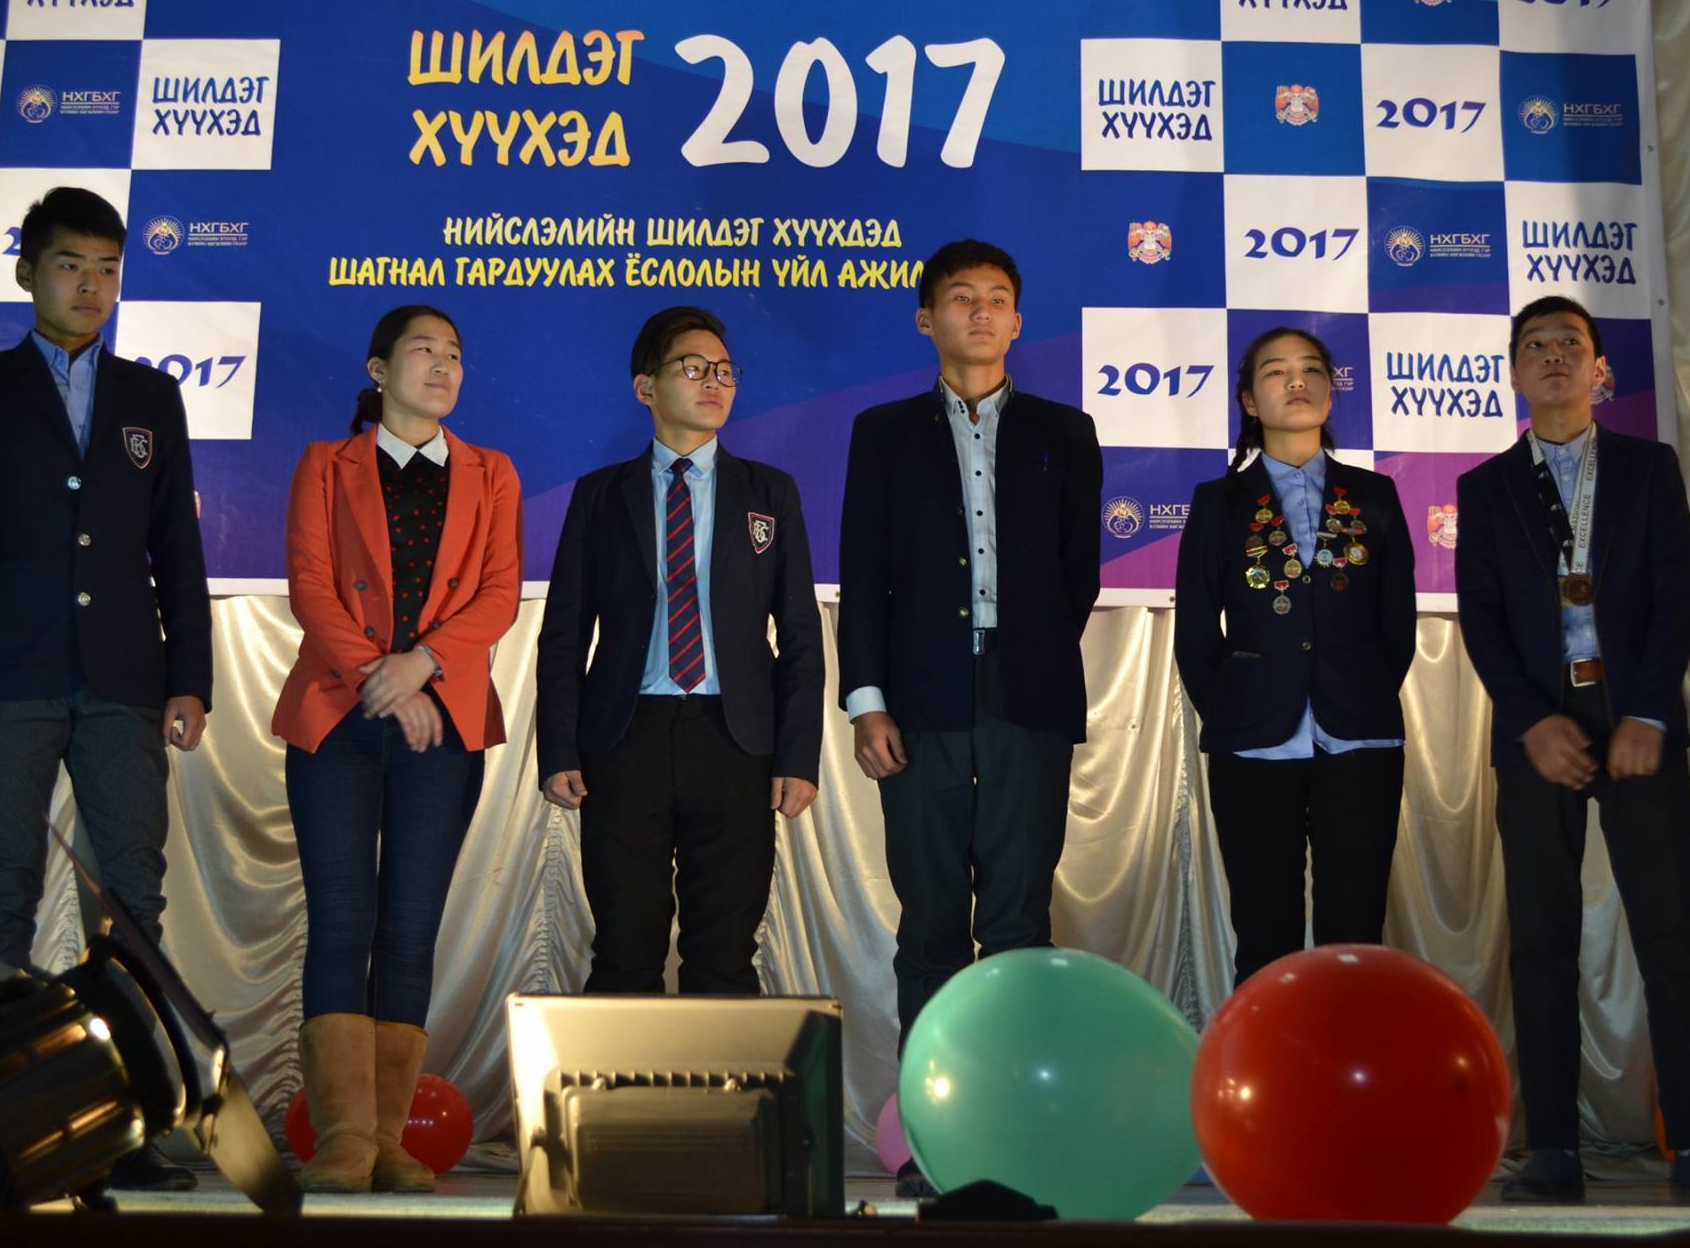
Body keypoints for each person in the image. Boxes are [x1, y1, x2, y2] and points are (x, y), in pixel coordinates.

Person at [0, 186, 210, 1192]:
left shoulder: (151, 395)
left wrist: (191, 677)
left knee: (130, 897)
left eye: (108, 268)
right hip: (6, 672)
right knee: (2, 882)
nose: (91, 285)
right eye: (71, 264)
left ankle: (138, 1121)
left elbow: (177, 549)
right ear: (27, 271)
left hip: (125, 676)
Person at [1455, 295, 1690, 1205]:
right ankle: (1553, 1149)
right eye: (1536, 345)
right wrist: (1529, 721)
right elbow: (1484, 619)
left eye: (1571, 344)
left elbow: (1677, 596)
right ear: (1515, 372)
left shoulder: (1647, 466)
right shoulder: (1484, 487)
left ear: (1598, 369)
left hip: (1637, 725)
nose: (1554, 356)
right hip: (1538, 732)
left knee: (1670, 936)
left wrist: (1650, 712)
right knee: (1541, 942)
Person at [837, 239, 1101, 1195]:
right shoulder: (883, 432)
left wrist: (1023, 655)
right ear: (927, 318)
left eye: (997, 299)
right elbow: (864, 573)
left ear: (1018, 321)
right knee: (932, 924)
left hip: (1028, 698)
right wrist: (869, 700)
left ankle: (1017, 1135)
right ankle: (938, 1135)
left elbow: (1077, 577)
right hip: (919, 702)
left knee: (1022, 922)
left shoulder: (1066, 432)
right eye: (961, 298)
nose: (980, 313)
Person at [271, 304, 523, 1194]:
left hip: (443, 718)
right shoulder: (325, 463)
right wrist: (378, 676)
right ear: (379, 370)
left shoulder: (492, 472)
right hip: (338, 715)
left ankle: (387, 1137)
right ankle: (342, 1136)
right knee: (342, 919)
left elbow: (498, 594)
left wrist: (420, 668)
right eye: (424, 350)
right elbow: (310, 585)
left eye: (454, 353)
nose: (443, 364)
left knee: (411, 928)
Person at [536, 305, 823, 996]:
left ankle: (721, 1075)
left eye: (724, 370)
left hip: (735, 740)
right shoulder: (600, 496)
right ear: (646, 387)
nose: (713, 382)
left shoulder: (770, 492)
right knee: (624, 951)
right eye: (693, 368)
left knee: (725, 956)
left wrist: (796, 756)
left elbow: (800, 635)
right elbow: (565, 633)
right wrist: (559, 749)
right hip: (625, 738)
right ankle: (623, 1074)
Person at [1174, 326, 1415, 987]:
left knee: (1355, 934)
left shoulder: (1375, 495)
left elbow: (1397, 625)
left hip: (1360, 738)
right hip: (1253, 744)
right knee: (1265, 933)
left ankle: (1349, 1057)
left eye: (1311, 370)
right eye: (1276, 371)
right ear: (1250, 400)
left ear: (1331, 394)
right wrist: (1235, 712)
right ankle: (1269, 1056)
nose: (1297, 381)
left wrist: (1361, 692)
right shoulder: (1218, 502)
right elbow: (1195, 633)